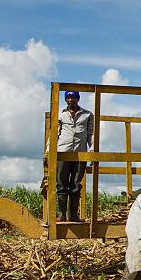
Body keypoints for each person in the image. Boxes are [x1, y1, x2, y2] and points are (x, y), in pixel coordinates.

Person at [55, 91, 94, 222]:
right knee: (61, 184)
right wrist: (49, 151)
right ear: (66, 99)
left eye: (73, 97)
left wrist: (92, 150)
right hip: (63, 152)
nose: (71, 100)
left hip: (80, 152)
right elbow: (55, 133)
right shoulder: (61, 115)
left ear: (77, 99)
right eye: (68, 97)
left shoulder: (87, 115)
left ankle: (73, 215)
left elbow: (91, 134)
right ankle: (61, 214)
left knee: (76, 184)